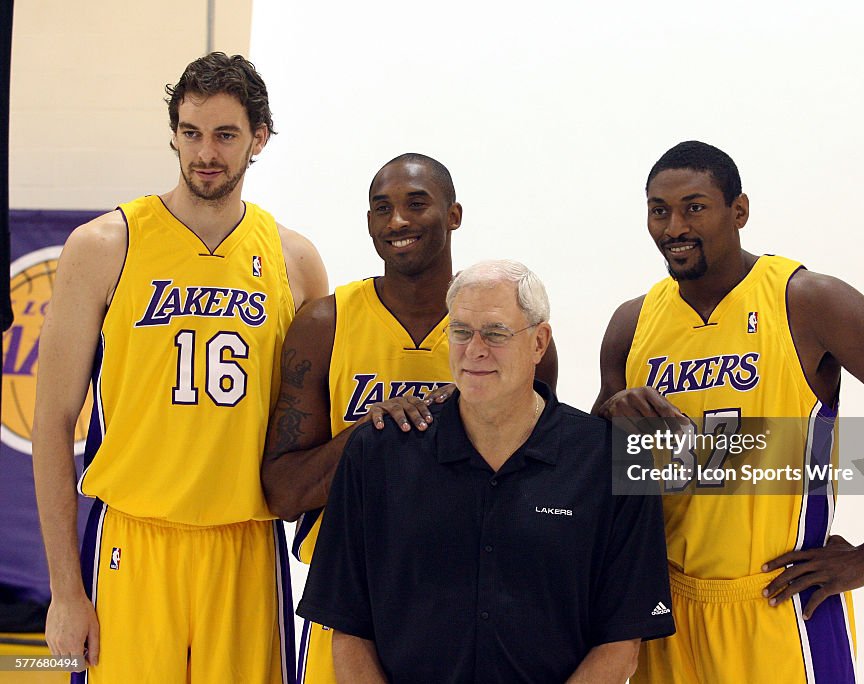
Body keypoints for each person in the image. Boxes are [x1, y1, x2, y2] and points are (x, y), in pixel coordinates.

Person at [594, 141, 864, 683]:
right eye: (659, 210)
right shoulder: (632, 323)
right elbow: (596, 465)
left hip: (781, 602)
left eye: (694, 207)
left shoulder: (807, 300)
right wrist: (611, 413)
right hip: (666, 607)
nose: (674, 225)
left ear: (739, 211)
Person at [32, 52, 328, 682]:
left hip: (246, 545)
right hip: (132, 543)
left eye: (225, 134)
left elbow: (312, 432)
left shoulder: (294, 261)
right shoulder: (105, 246)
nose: (205, 153)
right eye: (191, 133)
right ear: (173, 133)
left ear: (259, 138)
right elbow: (52, 420)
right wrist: (63, 587)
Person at [298, 260, 674, 683]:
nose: (474, 349)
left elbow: (620, 642)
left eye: (495, 333)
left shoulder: (612, 458)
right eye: (460, 332)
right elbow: (347, 628)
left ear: (538, 342)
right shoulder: (376, 454)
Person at [261, 154, 558, 683]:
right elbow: (283, 494)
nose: (397, 220)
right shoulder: (325, 325)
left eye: (416, 204)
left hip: (475, 608)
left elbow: (536, 481)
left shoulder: (507, 334)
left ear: (454, 214)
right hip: (354, 605)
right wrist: (370, 435)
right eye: (382, 208)